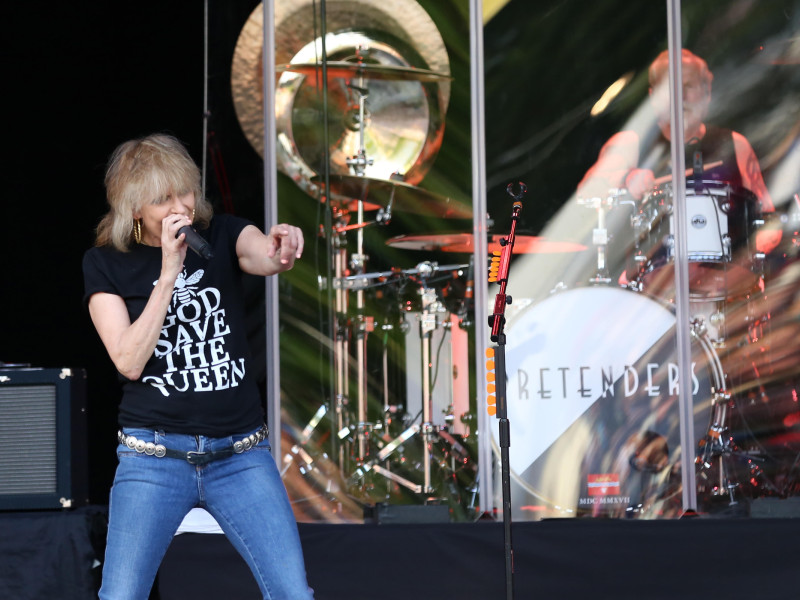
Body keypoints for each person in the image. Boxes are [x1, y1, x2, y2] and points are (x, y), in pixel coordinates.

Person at [83, 133, 314, 599]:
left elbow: (263, 254)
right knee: (120, 595)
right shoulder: (105, 264)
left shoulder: (223, 233)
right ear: (134, 210)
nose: (180, 207)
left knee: (292, 593)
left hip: (241, 455)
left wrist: (282, 246)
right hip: (153, 459)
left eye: (184, 191)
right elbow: (128, 360)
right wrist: (169, 271)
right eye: (162, 198)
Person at [578, 48, 782, 260]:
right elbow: (588, 193)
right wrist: (626, 177)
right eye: (670, 88)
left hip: (727, 276)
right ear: (653, 97)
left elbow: (766, 213)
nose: (680, 96)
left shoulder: (734, 144)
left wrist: (763, 242)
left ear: (706, 92)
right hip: (650, 282)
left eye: (688, 86)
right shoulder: (630, 144)